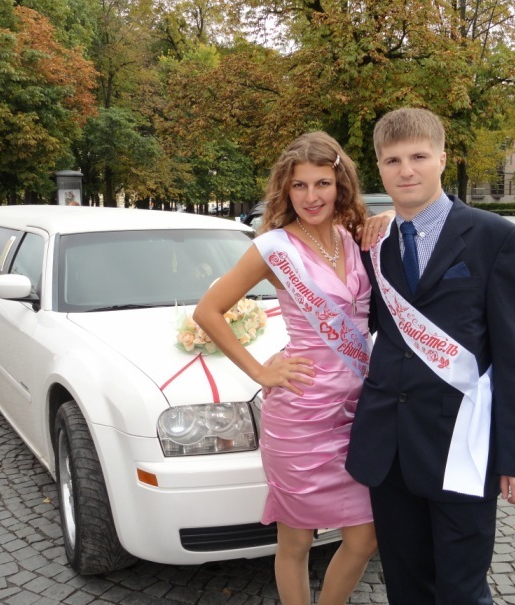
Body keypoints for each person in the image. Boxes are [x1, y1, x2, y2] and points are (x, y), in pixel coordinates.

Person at [346, 107, 515, 604]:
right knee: (405, 587)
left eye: (418, 156)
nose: (406, 170)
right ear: (379, 167)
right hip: (389, 447)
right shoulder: (373, 243)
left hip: (463, 446)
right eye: (392, 160)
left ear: (442, 159)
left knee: (462, 590)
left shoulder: (495, 238)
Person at [194, 132, 377, 605]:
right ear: (285, 189)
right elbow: (208, 311)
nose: (311, 196)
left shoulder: (354, 238)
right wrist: (260, 372)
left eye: (322, 183)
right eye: (300, 185)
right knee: (295, 541)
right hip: (302, 415)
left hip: (358, 413)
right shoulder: (274, 248)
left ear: (340, 184)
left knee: (364, 538)